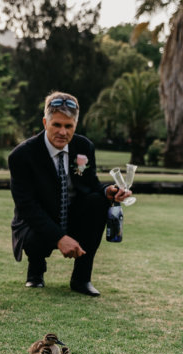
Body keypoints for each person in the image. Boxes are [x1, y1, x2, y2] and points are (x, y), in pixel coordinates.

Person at [8, 92, 131, 297]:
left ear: (75, 125)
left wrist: (107, 191)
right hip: (35, 224)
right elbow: (27, 206)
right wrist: (59, 238)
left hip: (72, 215)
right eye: (56, 125)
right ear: (45, 122)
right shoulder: (21, 156)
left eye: (68, 126)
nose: (62, 132)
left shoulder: (84, 147)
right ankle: (35, 271)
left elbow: (91, 185)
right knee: (36, 233)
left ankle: (82, 279)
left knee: (98, 202)